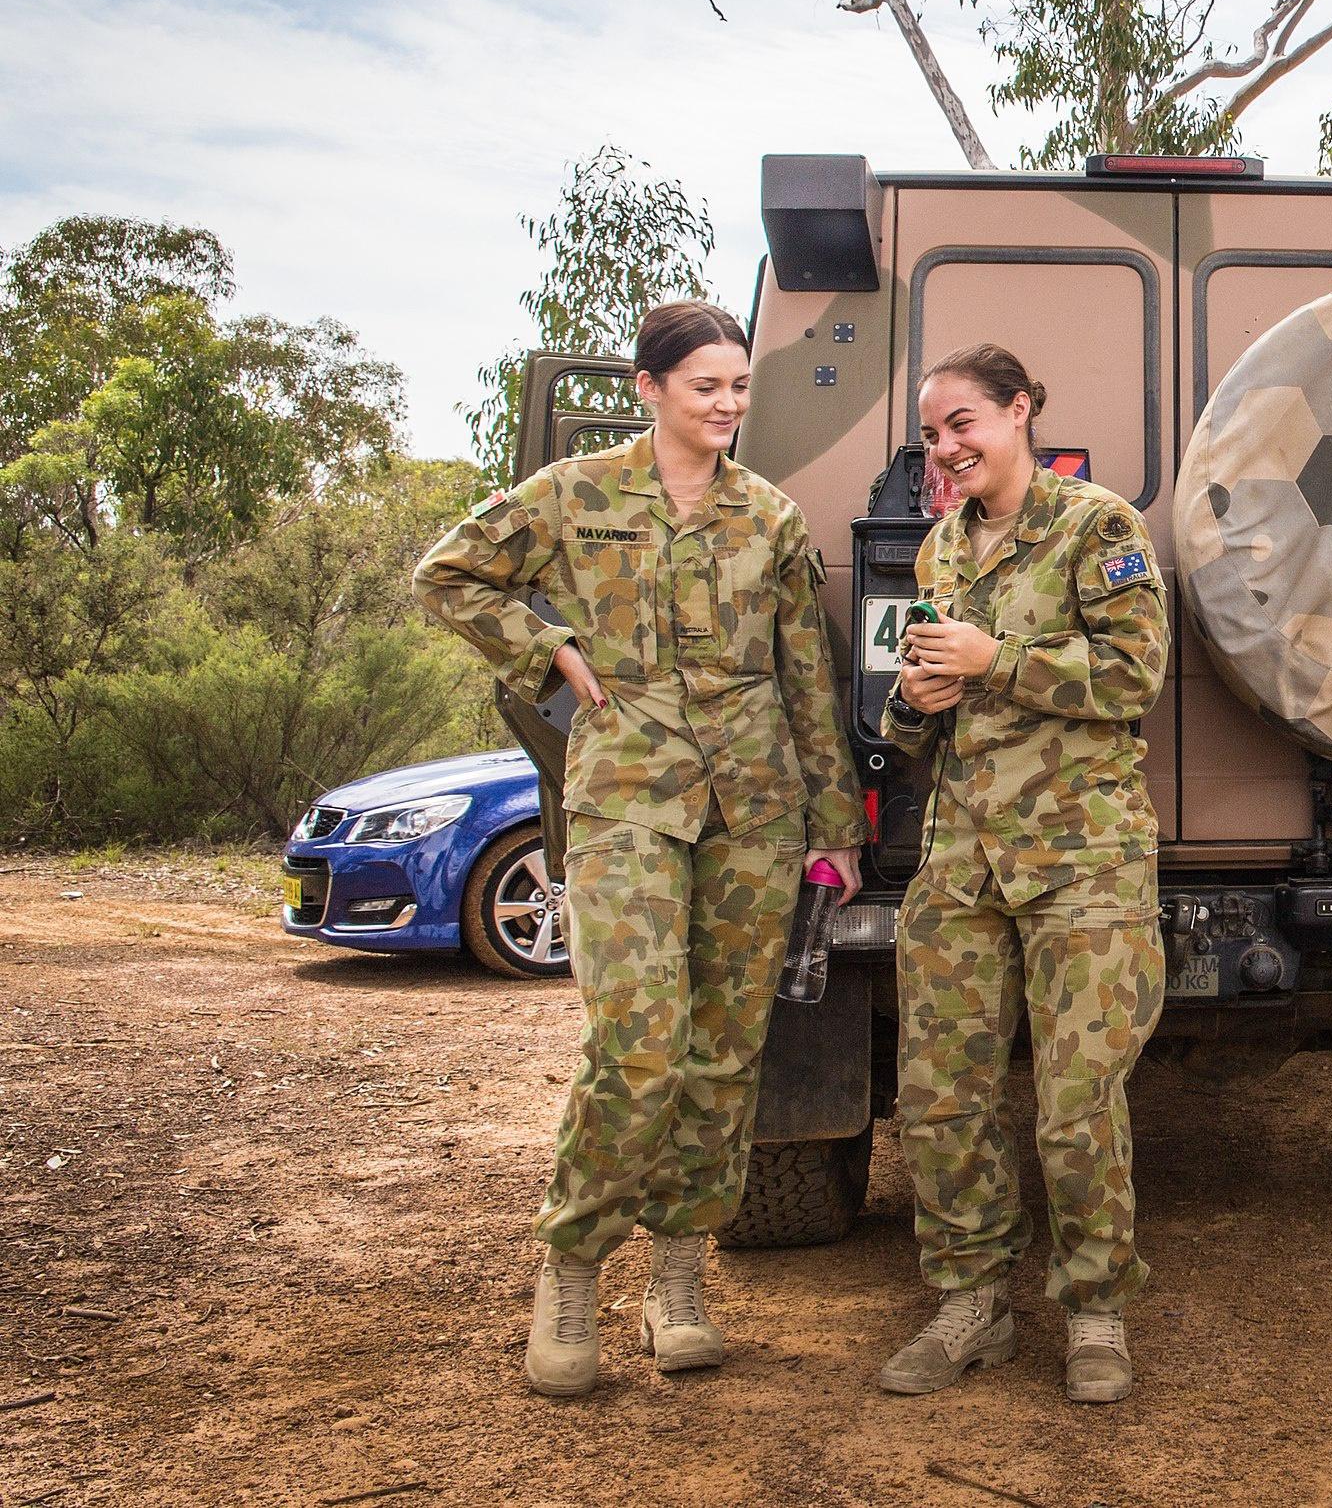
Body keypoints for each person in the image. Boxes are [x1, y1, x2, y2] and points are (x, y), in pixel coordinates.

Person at [413, 299, 865, 1398]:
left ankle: (677, 1277)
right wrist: (552, 647)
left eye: (739, 387)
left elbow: (808, 675)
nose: (726, 405)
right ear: (649, 389)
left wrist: (835, 822)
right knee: (639, 1040)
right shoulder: (574, 496)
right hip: (626, 798)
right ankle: (571, 1267)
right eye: (706, 385)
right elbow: (449, 573)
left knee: (722, 1053)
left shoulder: (768, 517)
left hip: (754, 809)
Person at [873, 342, 1169, 1406]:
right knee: (940, 1094)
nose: (946, 448)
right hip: (961, 856)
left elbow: (1138, 675)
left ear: (1019, 411)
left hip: (1080, 854)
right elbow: (919, 703)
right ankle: (971, 1304)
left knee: (1075, 1099)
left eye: (964, 423)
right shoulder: (938, 550)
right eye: (932, 433)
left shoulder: (1098, 527)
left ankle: (1094, 1311)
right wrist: (915, 704)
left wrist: (998, 663)